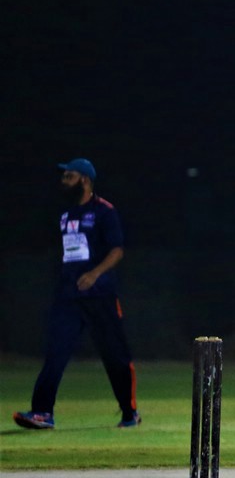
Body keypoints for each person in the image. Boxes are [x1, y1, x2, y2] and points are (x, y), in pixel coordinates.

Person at [13, 158, 141, 430]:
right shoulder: (64, 213)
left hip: (100, 295)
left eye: (68, 176)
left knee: (115, 355)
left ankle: (129, 412)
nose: (63, 181)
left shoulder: (104, 211)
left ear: (84, 180)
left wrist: (94, 274)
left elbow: (117, 250)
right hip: (69, 297)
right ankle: (42, 413)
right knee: (55, 353)